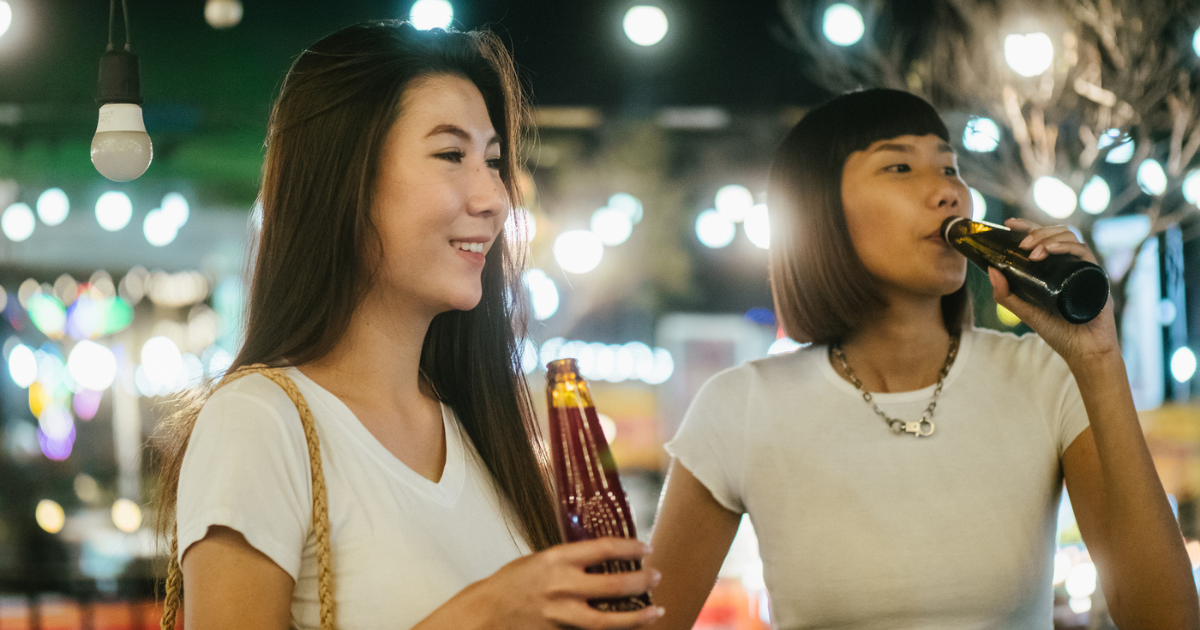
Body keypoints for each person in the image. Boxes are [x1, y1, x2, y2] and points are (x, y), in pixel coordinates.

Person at [155, 21, 663, 630]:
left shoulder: (481, 432)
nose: (494, 197)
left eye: (494, 160)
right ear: (346, 179)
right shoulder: (260, 421)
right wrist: (486, 612)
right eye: (452, 155)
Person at [646, 89, 1197, 629]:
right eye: (900, 169)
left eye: (951, 167)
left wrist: (1098, 358)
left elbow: (1165, 618)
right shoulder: (741, 406)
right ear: (820, 213)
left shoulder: (1043, 377)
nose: (947, 193)